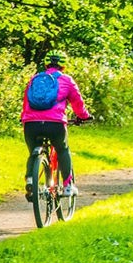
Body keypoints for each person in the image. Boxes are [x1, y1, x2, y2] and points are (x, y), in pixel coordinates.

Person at [21, 52, 91, 198]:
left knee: (33, 151)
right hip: (55, 124)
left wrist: (25, 118)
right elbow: (77, 103)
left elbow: (26, 101)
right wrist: (84, 116)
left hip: (31, 124)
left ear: (46, 64)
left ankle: (30, 179)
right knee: (63, 149)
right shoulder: (67, 80)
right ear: (63, 65)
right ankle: (67, 187)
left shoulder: (34, 79)